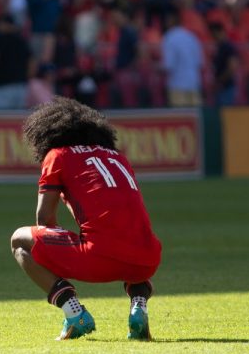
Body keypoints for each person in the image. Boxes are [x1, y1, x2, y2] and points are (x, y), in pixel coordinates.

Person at [11, 97, 162, 340]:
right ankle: (139, 306)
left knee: (19, 240)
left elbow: (44, 218)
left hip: (99, 256)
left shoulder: (58, 155)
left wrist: (58, 250)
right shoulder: (117, 157)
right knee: (132, 241)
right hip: (147, 259)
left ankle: (73, 313)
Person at [0, 15, 32, 109]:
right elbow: (32, 62)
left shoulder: (0, 39)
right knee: (18, 121)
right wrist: (25, 77)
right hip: (21, 87)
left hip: (1, 87)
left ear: (4, 24)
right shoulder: (22, 40)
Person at [161, 12, 203, 107]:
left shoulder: (169, 37)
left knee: (181, 117)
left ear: (171, 22)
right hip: (194, 83)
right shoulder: (192, 37)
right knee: (194, 116)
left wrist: (156, 68)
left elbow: (168, 65)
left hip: (177, 85)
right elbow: (199, 62)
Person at [210, 22, 238, 106]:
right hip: (221, 88)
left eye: (215, 35)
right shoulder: (219, 48)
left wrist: (220, 81)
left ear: (221, 32)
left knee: (225, 111)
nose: (214, 38)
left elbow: (232, 67)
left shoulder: (228, 47)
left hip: (226, 87)